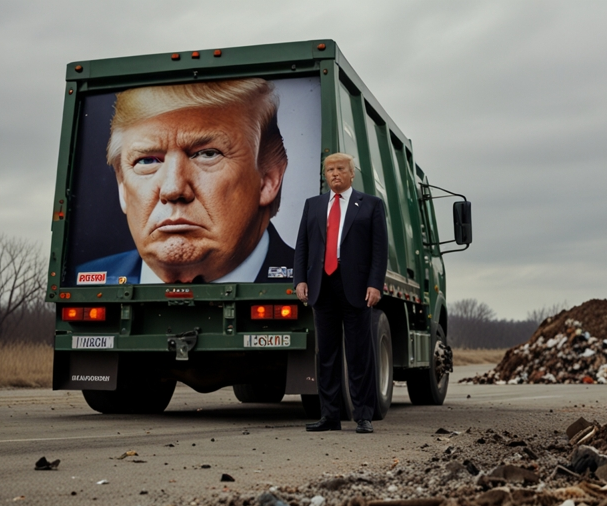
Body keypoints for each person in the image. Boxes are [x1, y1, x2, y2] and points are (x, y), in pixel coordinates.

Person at [76, 79, 294, 284]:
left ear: (268, 179)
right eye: (147, 160)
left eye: (207, 154)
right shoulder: (83, 278)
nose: (173, 189)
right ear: (122, 186)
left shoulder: (314, 282)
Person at [293, 152, 389, 434]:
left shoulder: (370, 205)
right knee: (327, 355)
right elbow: (302, 246)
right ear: (325, 174)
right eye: (330, 169)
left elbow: (378, 250)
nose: (334, 173)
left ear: (351, 173)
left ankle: (363, 416)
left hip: (357, 288)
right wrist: (301, 279)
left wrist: (375, 283)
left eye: (340, 169)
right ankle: (330, 416)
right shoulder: (313, 205)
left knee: (359, 353)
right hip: (322, 286)